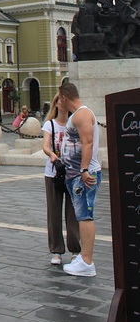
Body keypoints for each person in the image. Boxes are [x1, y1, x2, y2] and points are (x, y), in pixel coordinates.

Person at [58, 81, 101, 277]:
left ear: (65, 98)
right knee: (82, 215)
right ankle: (84, 258)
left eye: (60, 99)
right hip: (75, 175)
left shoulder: (82, 114)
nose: (59, 103)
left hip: (83, 175)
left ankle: (86, 262)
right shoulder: (77, 115)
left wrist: (84, 169)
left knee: (85, 216)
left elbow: (88, 142)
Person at [41, 94, 80, 266]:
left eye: (65, 99)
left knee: (73, 213)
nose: (62, 103)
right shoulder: (50, 124)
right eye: (59, 100)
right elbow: (45, 145)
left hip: (73, 173)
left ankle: (75, 249)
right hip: (53, 173)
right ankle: (56, 250)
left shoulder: (75, 123)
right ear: (56, 103)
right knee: (54, 213)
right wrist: (52, 156)